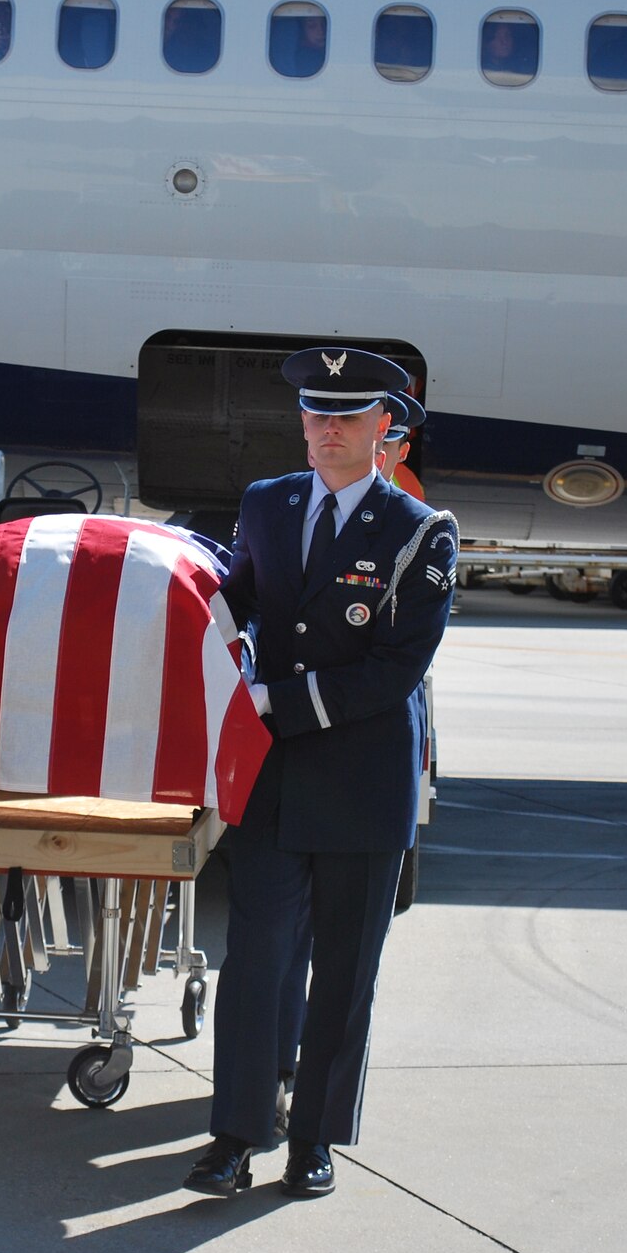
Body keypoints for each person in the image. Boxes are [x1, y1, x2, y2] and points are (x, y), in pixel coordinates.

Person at [185, 347, 457, 1200]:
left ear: (386, 428)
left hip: (363, 780)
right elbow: (239, 595)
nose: (327, 429)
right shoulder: (267, 504)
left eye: (346, 415)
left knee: (344, 972)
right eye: (314, 413)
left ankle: (313, 1141)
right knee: (255, 961)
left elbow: (392, 670)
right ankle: (234, 1135)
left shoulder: (421, 532)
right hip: (277, 780)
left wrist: (273, 700)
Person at [374, 386, 429, 499]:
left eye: (384, 443)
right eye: (367, 441)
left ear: (403, 453)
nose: (370, 450)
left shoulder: (409, 488)